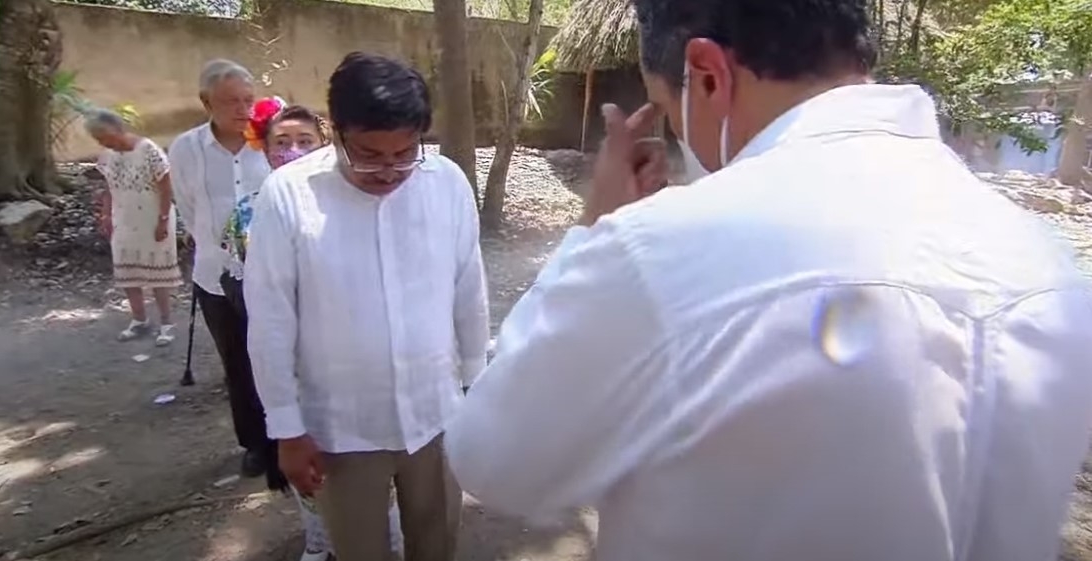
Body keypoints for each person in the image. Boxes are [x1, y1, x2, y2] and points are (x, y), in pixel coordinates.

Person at [444, 2, 1092, 561]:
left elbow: (493, 457)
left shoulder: (662, 252)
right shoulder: (1045, 262)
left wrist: (591, 229)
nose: (674, 135)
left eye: (668, 110)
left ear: (706, 73)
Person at [245, 52, 488, 561]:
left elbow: (469, 289)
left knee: (437, 541)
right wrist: (287, 429)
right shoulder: (288, 196)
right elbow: (270, 320)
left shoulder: (446, 185)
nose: (388, 171)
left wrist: (475, 388)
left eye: (405, 152)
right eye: (369, 154)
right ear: (335, 131)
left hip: (436, 414)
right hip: (341, 428)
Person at [221, 98, 405, 561]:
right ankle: (320, 537)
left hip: (358, 357)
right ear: (264, 150)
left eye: (305, 141)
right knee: (311, 460)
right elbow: (255, 300)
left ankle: (390, 534)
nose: (293, 150)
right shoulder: (250, 212)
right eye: (282, 142)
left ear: (327, 145)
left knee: (373, 457)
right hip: (295, 359)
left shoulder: (355, 201)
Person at [168, 59, 273, 478]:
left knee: (276, 356)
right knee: (238, 361)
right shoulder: (185, 149)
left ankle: (288, 436)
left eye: (249, 99)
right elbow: (188, 206)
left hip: (272, 276)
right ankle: (255, 444)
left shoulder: (268, 143)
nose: (242, 109)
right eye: (231, 101)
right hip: (215, 276)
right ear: (205, 101)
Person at [87, 107, 182, 345]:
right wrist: (106, 215)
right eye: (99, 139)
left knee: (157, 272)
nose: (104, 142)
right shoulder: (108, 156)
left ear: (118, 129)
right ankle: (139, 319)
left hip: (152, 216)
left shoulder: (148, 150)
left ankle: (166, 322)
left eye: (106, 136)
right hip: (124, 217)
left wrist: (162, 220)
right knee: (127, 271)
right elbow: (109, 187)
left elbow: (166, 186)